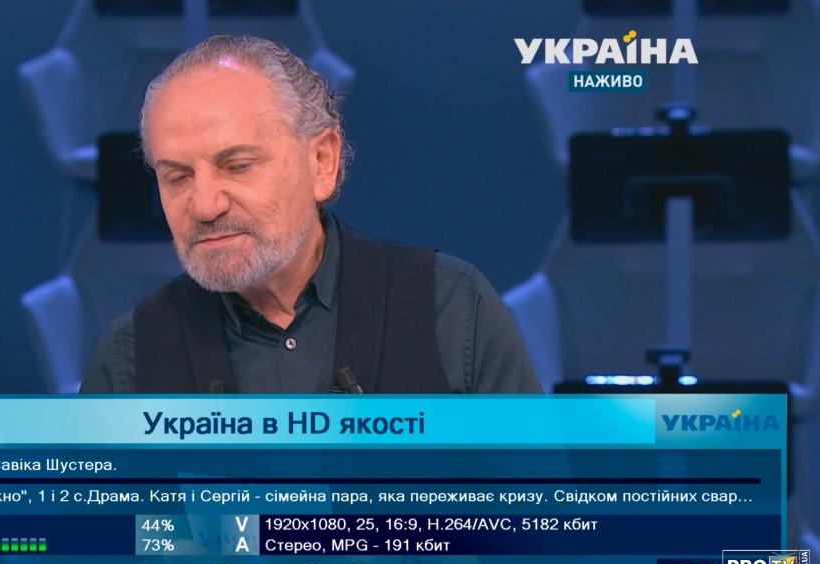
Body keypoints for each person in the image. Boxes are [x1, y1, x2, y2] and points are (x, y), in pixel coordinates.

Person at [81, 35, 540, 394]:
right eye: (178, 177)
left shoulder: (452, 311)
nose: (204, 205)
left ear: (322, 162)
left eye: (237, 166)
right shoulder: (130, 360)